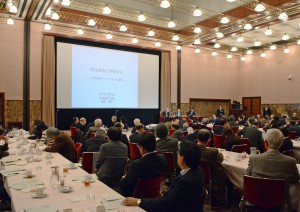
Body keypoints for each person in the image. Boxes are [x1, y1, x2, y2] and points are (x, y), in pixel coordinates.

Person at [123, 142, 206, 212]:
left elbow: (165, 204)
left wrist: (138, 201)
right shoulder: (198, 170)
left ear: (182, 158)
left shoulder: (187, 181)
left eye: (178, 154)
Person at [247, 129, 299, 210]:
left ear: (266, 143)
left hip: (256, 199)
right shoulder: (291, 161)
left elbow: (249, 176)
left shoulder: (253, 159)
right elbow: (295, 180)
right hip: (280, 203)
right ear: (281, 143)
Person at [116, 132, 167, 197]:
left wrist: (124, 179)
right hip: (154, 195)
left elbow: (125, 187)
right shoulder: (163, 158)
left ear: (141, 148)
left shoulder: (136, 165)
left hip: (135, 197)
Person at [197, 129, 226, 207]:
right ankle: (223, 200)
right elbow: (220, 159)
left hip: (196, 175)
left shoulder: (191, 148)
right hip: (212, 176)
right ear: (208, 140)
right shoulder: (213, 152)